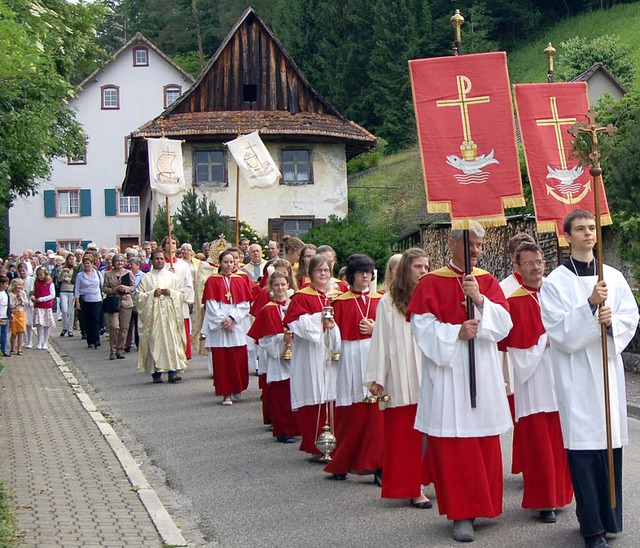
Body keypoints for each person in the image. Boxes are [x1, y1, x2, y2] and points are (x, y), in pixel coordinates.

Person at [407, 222, 513, 543]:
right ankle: (461, 514)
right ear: (452, 245)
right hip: (449, 373)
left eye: (480, 245)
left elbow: (505, 324)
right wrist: (456, 332)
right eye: (471, 245)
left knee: (483, 441)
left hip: (482, 367)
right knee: (455, 445)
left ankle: (485, 505)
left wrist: (480, 301)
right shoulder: (431, 282)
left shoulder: (487, 281)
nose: (476, 251)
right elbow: (421, 328)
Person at [540, 210, 639, 548]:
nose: (587, 233)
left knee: (610, 449)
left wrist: (612, 324)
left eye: (591, 228)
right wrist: (589, 307)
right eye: (580, 228)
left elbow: (630, 315)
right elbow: (560, 332)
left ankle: (610, 520)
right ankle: (592, 529)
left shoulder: (612, 276)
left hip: (607, 373)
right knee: (584, 453)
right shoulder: (554, 283)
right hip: (577, 378)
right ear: (567, 236)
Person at [499, 242, 573, 523]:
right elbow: (516, 350)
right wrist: (545, 340)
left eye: (539, 261)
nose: (535, 267)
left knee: (561, 441)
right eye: (528, 263)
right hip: (533, 382)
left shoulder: (557, 295)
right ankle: (544, 502)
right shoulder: (514, 301)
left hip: (561, 378)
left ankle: (562, 496)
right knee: (540, 445)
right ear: (517, 267)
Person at [364, 249, 432, 508]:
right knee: (407, 435)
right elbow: (380, 340)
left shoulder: (431, 294)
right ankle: (414, 487)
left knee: (434, 433)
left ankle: (430, 479)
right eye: (418, 266)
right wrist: (377, 377)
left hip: (429, 368)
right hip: (401, 373)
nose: (423, 271)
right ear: (406, 269)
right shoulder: (388, 301)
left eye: (426, 266)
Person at [323, 254, 383, 483]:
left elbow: (390, 335)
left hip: (374, 357)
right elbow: (334, 344)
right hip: (350, 359)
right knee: (352, 416)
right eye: (360, 272)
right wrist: (330, 327)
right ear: (351, 275)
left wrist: (375, 330)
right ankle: (343, 462)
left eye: (368, 272)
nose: (365, 276)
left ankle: (378, 465)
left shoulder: (381, 301)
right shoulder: (339, 302)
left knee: (376, 417)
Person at [283, 254, 342, 459]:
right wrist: (320, 318)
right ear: (311, 273)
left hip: (332, 352)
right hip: (310, 354)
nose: (323, 274)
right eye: (319, 271)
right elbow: (295, 324)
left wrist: (333, 326)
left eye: (326, 270)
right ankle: (315, 446)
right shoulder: (301, 297)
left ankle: (334, 444)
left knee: (333, 395)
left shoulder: (338, 294)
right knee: (314, 395)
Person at [247, 271, 299, 442]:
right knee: (281, 396)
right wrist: (280, 338)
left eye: (283, 284)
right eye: (276, 285)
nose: (280, 288)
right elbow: (264, 339)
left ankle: (295, 428)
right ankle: (283, 430)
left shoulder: (294, 305)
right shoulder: (267, 310)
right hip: (277, 358)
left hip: (295, 356)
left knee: (295, 394)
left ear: (288, 286)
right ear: (271, 287)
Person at [500, 232, 536, 476]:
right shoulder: (505, 288)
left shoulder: (543, 284)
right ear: (513, 258)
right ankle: (524, 463)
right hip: (515, 360)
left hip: (542, 358)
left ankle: (530, 463)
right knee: (521, 416)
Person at [201, 250, 253, 405]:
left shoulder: (240, 279)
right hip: (219, 326)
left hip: (236, 324)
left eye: (231, 262)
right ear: (220, 263)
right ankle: (226, 393)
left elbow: (245, 304)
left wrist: (232, 318)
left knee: (237, 358)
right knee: (222, 361)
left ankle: (237, 387)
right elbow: (210, 304)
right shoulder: (212, 280)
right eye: (226, 262)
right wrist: (223, 321)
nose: (229, 265)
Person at [136, 250, 187, 384]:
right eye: (156, 259)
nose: (159, 261)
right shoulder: (146, 278)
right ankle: (156, 373)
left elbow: (181, 294)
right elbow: (139, 297)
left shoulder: (172, 277)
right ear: (152, 261)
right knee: (155, 342)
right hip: (154, 317)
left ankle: (172, 372)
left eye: (161, 259)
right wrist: (152, 293)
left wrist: (171, 293)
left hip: (169, 316)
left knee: (172, 341)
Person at [161, 236, 194, 360]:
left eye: (174, 243)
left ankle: (182, 355)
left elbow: (188, 285)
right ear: (164, 246)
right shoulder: (160, 263)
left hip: (180, 303)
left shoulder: (183, 265)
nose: (171, 245)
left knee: (182, 331)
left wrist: (179, 296)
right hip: (165, 303)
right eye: (168, 243)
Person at [102, 254, 135, 360]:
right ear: (113, 262)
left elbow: (133, 287)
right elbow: (104, 288)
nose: (119, 263)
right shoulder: (108, 274)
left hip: (126, 302)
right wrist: (115, 289)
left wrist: (125, 288)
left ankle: (120, 349)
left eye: (121, 261)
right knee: (114, 326)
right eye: (117, 261)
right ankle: (113, 350)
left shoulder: (128, 273)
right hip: (113, 301)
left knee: (124, 328)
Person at [74, 254, 103, 350]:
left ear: (92, 263)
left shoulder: (97, 273)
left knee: (96, 319)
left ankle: (96, 340)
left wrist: (104, 295)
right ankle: (90, 340)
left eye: (88, 263)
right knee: (88, 320)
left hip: (97, 299)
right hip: (86, 299)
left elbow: (102, 285)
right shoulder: (80, 275)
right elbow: (77, 289)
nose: (86, 266)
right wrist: (77, 301)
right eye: (85, 264)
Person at [32, 266, 56, 350]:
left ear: (45, 274)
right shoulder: (36, 283)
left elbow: (52, 295)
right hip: (38, 306)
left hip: (47, 306)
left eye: (41, 275)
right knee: (39, 324)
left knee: (47, 324)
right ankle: (39, 341)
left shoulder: (50, 283)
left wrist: (42, 299)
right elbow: (33, 291)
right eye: (38, 275)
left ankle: (45, 342)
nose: (40, 277)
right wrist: (33, 297)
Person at [58, 254, 76, 337]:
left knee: (71, 310)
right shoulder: (62, 268)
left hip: (71, 290)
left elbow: (74, 279)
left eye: (72, 259)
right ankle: (64, 327)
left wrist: (67, 279)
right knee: (64, 310)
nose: (71, 261)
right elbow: (59, 279)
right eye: (70, 259)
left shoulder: (75, 269)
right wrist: (63, 273)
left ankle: (70, 328)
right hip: (63, 290)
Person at [17, 263, 35, 348]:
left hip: (29, 303)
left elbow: (32, 290)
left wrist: (32, 296)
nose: (22, 273)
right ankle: (23, 340)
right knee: (22, 322)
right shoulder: (18, 280)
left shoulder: (31, 279)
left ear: (27, 270)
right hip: (21, 304)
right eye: (20, 271)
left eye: (24, 271)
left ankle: (30, 341)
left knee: (30, 323)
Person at [8, 278, 28, 356]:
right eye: (18, 284)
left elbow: (26, 302)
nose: (20, 287)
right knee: (14, 332)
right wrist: (17, 300)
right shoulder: (10, 294)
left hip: (21, 313)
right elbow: (11, 305)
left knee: (21, 332)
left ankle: (19, 349)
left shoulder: (23, 293)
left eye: (21, 285)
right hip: (14, 313)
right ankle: (12, 348)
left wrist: (21, 299)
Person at [0, 275, 9, 356]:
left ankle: (4, 350)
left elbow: (7, 305)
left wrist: (10, 314)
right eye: (6, 284)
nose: (7, 285)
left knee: (4, 334)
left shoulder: (5, 293)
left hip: (5, 316)